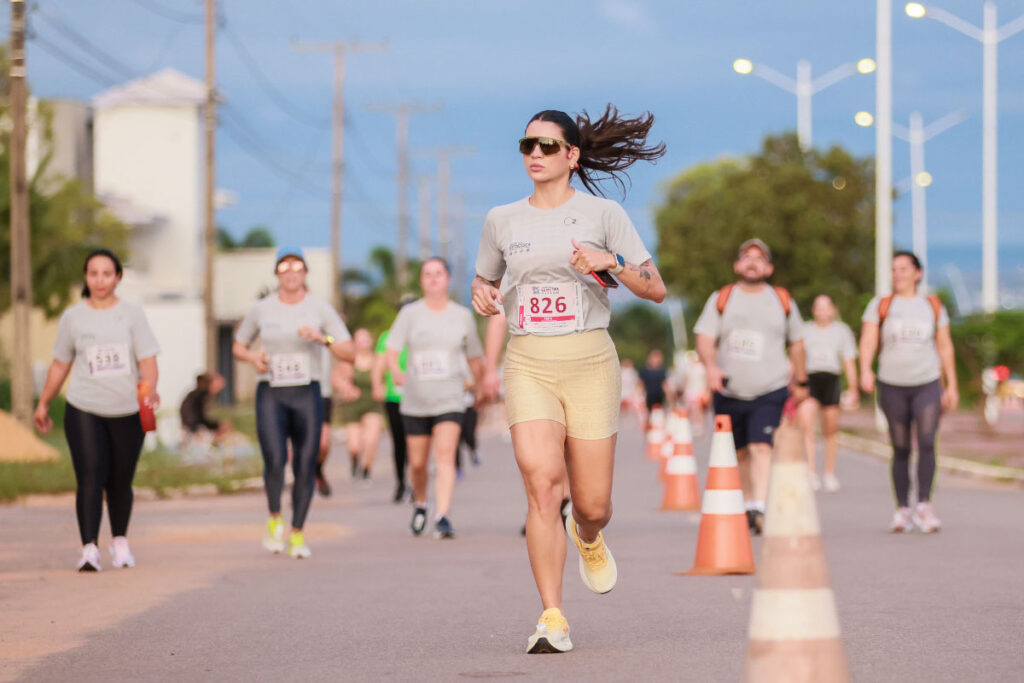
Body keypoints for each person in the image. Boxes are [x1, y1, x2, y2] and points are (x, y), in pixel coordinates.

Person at [472, 105, 666, 654]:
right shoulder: (502, 219)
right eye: (527, 146)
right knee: (542, 485)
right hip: (529, 361)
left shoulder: (603, 213)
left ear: (572, 155)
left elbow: (655, 288)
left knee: (592, 503)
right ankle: (551, 616)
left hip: (590, 363)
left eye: (548, 146)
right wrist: (481, 293)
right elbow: (484, 280)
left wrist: (611, 262)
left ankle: (589, 535)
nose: (535, 154)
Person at [34, 248, 160, 572]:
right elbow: (60, 364)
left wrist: (149, 390)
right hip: (84, 408)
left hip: (127, 410)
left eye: (106, 273)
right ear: (86, 278)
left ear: (117, 277)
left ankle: (120, 542)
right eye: (93, 273)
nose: (100, 280)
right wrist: (44, 402)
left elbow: (147, 359)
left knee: (120, 479)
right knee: (91, 474)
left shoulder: (132, 314)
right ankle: (89, 548)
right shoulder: (73, 318)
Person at [233, 247, 354, 559]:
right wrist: (253, 357)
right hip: (271, 392)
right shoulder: (261, 309)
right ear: (276, 273)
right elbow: (238, 346)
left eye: (297, 267)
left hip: (307, 392)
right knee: (274, 459)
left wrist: (322, 339)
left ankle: (297, 532)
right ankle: (275, 517)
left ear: (305, 273)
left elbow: (349, 352)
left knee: (305, 463)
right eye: (284, 267)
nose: (291, 273)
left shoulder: (320, 309)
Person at [694, 238, 808, 535]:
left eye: (759, 258)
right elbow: (705, 337)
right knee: (741, 452)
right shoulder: (722, 298)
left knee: (761, 446)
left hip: (770, 387)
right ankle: (746, 505)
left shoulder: (782, 300)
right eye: (747, 257)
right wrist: (710, 366)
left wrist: (801, 380)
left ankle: (760, 506)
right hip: (729, 389)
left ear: (768, 268)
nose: (752, 262)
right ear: (737, 265)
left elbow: (797, 343)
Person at [859, 251, 958, 533]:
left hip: (926, 383)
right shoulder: (881, 305)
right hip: (891, 383)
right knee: (900, 447)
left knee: (927, 440)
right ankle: (902, 509)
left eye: (903, 269)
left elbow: (944, 345)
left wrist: (951, 384)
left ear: (917, 273)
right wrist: (865, 369)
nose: (897, 274)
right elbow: (868, 340)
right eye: (894, 269)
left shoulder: (932, 306)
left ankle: (924, 505)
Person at [386, 258, 485, 540]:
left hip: (450, 399)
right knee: (418, 464)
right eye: (427, 274)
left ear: (448, 279)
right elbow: (392, 349)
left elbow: (474, 357)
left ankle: (442, 516)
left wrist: (480, 385)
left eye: (438, 273)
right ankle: (421, 504)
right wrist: (396, 371)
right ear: (421, 280)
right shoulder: (410, 314)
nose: (433, 278)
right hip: (416, 400)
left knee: (445, 456)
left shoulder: (462, 316)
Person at [797, 295, 858, 492]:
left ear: (832, 309)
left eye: (826, 307)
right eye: (818, 307)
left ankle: (829, 473)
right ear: (813, 310)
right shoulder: (805, 330)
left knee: (830, 429)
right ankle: (811, 472)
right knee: (806, 425)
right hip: (810, 379)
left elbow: (848, 361)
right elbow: (796, 357)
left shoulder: (841, 331)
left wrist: (853, 388)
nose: (822, 311)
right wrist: (795, 383)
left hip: (831, 379)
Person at [372, 299, 412, 503]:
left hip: (418, 396)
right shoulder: (387, 337)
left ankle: (416, 482)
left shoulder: (419, 336)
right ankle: (401, 482)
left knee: (416, 441)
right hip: (394, 397)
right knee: (398, 441)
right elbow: (379, 365)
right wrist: (377, 384)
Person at [336, 328, 385, 487]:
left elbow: (387, 379)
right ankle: (355, 462)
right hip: (352, 405)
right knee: (354, 446)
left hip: (372, 404)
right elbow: (336, 378)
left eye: (366, 340)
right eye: (360, 340)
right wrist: (346, 388)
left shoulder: (378, 360)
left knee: (371, 440)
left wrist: (382, 388)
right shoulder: (348, 360)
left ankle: (366, 471)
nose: (363, 344)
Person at [180, 372, 233, 445]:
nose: (219, 389)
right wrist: (217, 426)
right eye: (218, 386)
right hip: (194, 430)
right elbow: (200, 418)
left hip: (192, 428)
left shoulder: (196, 394)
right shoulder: (200, 396)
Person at [315, 346, 335, 497]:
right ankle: (300, 484)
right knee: (297, 445)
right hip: (296, 394)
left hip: (323, 394)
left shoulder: (326, 336)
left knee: (323, 444)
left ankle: (318, 470)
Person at [637, 349, 668, 415]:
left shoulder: (662, 371)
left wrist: (668, 395)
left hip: (659, 396)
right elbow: (640, 384)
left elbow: (664, 384)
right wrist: (640, 395)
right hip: (647, 395)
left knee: (657, 413)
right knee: (646, 413)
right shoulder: (644, 370)